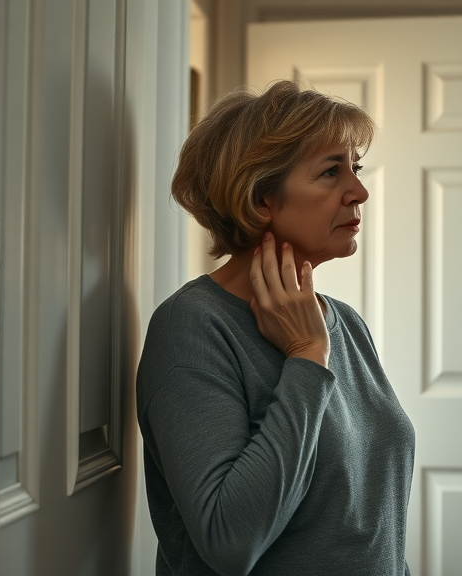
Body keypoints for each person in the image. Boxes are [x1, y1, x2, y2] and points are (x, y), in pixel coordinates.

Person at [136, 80, 415, 576]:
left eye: (356, 167)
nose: (360, 191)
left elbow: (368, 534)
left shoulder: (345, 324)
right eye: (332, 172)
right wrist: (306, 356)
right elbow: (229, 541)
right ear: (262, 198)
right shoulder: (193, 328)